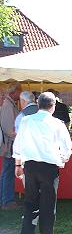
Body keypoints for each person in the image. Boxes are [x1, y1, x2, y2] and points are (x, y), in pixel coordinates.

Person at [13, 92, 72, 234]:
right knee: (48, 205)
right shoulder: (57, 124)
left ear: (38, 105)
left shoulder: (26, 121)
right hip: (49, 168)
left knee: (30, 201)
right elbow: (67, 146)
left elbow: (17, 145)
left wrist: (18, 164)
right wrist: (64, 159)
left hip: (30, 165)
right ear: (53, 106)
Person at [0, 82, 22, 210]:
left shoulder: (9, 104)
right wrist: (19, 137)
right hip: (10, 144)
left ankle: (6, 199)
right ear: (15, 91)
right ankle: (7, 201)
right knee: (8, 172)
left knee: (7, 172)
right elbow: (9, 129)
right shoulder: (8, 106)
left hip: (10, 143)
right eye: (20, 91)